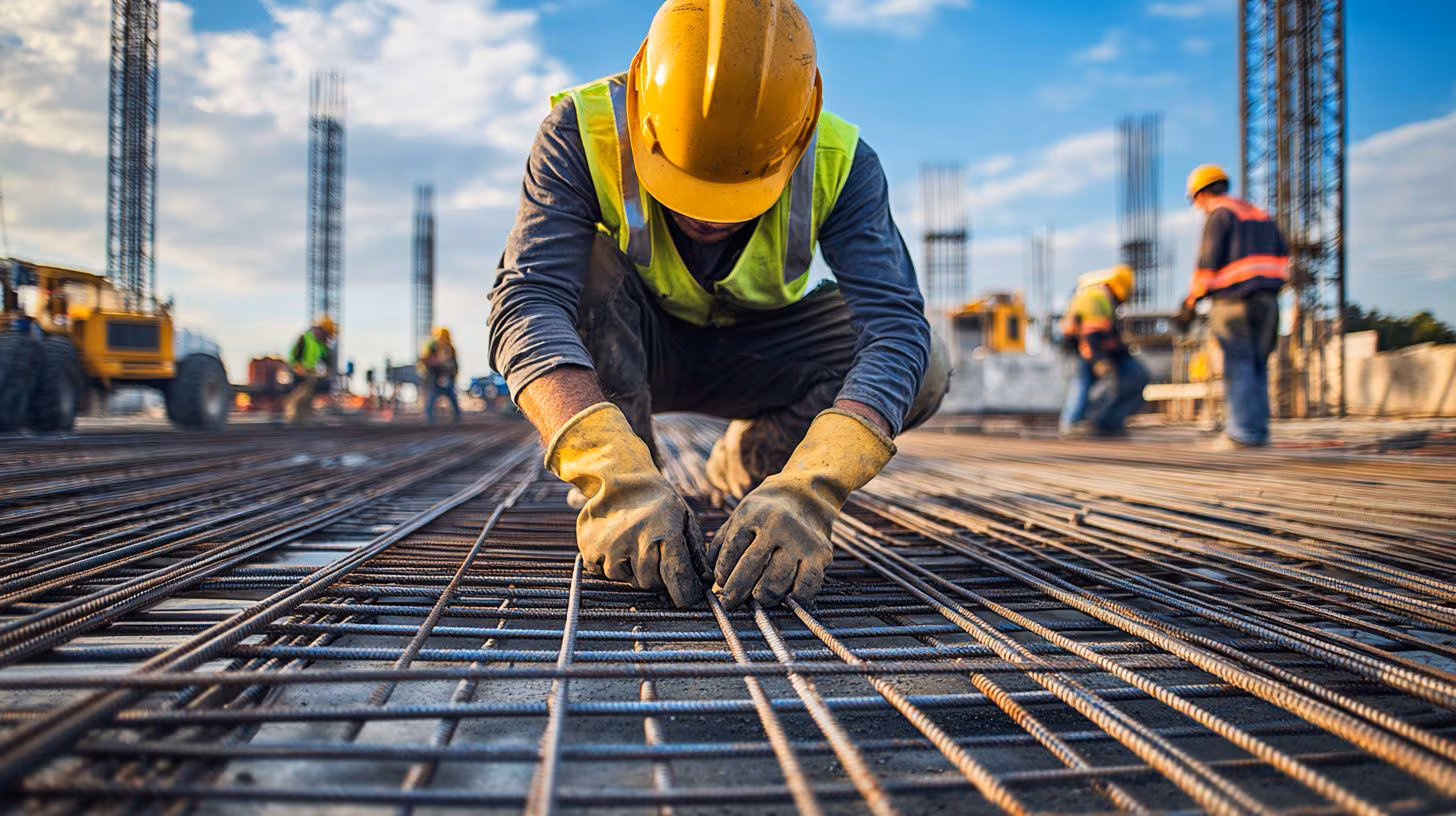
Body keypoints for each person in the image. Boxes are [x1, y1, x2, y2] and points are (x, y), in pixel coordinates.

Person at [488, 0, 949, 609]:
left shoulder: (842, 162)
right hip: (635, 348)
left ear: (795, 139)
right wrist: (611, 473)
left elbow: (894, 328)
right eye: (686, 181)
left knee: (926, 363)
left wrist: (817, 485)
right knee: (582, 278)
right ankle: (637, 496)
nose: (707, 214)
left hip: (760, 353)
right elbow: (527, 301)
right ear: (645, 115)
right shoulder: (584, 130)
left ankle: (761, 463)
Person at [1177, 164, 1290, 449]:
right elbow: (1283, 256)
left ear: (1201, 195)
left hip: (1233, 302)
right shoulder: (1259, 214)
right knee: (1257, 364)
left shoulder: (1219, 214)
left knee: (1237, 363)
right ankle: (1258, 430)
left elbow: (1207, 264)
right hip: (1268, 301)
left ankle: (1242, 433)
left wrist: (1191, 302)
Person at [1059, 266, 1149, 438]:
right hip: (1083, 350)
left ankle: (1106, 423)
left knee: (1134, 375)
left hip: (1094, 350)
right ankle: (1072, 424)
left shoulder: (1103, 299)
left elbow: (1106, 335)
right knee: (1082, 381)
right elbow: (1090, 335)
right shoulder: (1096, 298)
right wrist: (1099, 360)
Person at [284, 316, 336, 425]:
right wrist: (297, 367)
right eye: (326, 335)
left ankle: (301, 418)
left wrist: (328, 369)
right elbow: (294, 355)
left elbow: (326, 358)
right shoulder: (305, 338)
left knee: (308, 392)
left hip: (309, 371)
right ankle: (292, 417)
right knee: (300, 393)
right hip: (297, 368)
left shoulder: (321, 344)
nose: (327, 338)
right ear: (321, 330)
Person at [420, 327, 462, 424]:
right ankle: (429, 419)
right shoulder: (433, 347)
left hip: (447, 377)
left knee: (451, 396)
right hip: (435, 376)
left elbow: (454, 365)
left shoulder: (450, 348)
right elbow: (426, 361)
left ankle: (457, 417)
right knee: (433, 396)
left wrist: (452, 374)